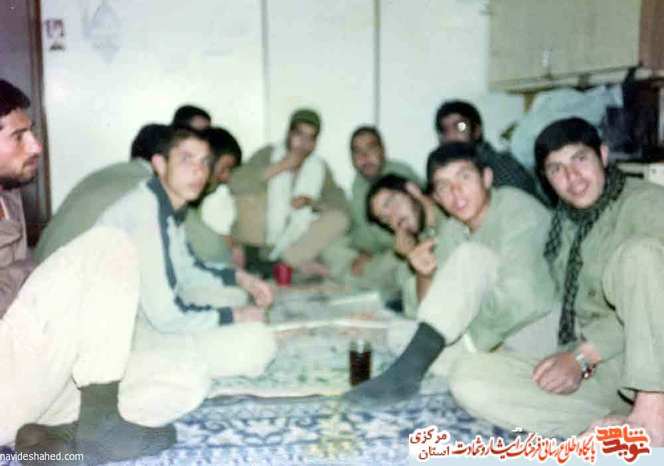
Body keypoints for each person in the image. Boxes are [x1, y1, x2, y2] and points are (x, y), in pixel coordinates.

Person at [448, 118, 664, 446]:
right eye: (556, 169)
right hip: (605, 371)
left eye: (580, 159)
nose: (572, 178)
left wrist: (584, 356)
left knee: (639, 255)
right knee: (469, 377)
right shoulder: (566, 221)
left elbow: (653, 301)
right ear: (547, 179)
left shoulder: (646, 203)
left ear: (603, 155)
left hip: (648, 363)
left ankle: (652, 417)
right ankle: (613, 421)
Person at [1, 78, 174, 464]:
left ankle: (46, 446)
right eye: (18, 136)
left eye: (32, 132)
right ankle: (100, 430)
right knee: (108, 244)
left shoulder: (7, 194)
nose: (36, 146)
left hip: (22, 386)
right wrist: (48, 284)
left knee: (178, 373)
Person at [346, 142, 554, 404]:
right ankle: (423, 370)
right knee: (399, 333)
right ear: (437, 196)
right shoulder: (455, 229)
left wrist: (467, 340)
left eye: (464, 177)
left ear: (486, 178)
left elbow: (524, 298)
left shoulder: (516, 209)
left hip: (541, 331)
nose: (456, 192)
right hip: (495, 336)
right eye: (444, 187)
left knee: (471, 256)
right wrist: (423, 273)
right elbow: (430, 313)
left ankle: (407, 373)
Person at [96, 125, 276, 423]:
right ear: (160, 164)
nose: (198, 171)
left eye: (204, 162)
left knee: (233, 295)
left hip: (140, 315)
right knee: (257, 343)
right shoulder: (146, 212)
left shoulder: (166, 204)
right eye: (186, 159)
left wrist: (242, 278)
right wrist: (234, 316)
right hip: (113, 338)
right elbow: (166, 316)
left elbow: (189, 270)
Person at [34, 123, 241, 265]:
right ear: (161, 162)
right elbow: (213, 249)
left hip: (39, 279)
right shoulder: (150, 189)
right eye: (185, 159)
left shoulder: (106, 174)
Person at [229, 108, 349, 276]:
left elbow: (341, 204)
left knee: (339, 219)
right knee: (249, 195)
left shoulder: (319, 167)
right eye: (299, 135)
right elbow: (235, 183)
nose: (304, 143)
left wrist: (311, 202)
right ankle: (263, 259)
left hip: (295, 241)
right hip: (260, 238)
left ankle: (285, 262)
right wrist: (282, 166)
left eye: (311, 138)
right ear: (289, 133)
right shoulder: (268, 154)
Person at [321, 126, 421, 298]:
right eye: (357, 152)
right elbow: (361, 228)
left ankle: (357, 281)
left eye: (371, 148)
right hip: (371, 251)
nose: (364, 157)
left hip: (398, 250)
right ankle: (355, 278)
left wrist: (370, 255)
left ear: (382, 150)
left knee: (383, 269)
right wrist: (361, 253)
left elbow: (412, 232)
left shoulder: (400, 175)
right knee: (331, 246)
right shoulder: (359, 182)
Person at [435, 99, 544, 201]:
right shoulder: (444, 172)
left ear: (476, 131)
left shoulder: (500, 164)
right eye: (445, 130)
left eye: (460, 127)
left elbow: (521, 203)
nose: (451, 136)